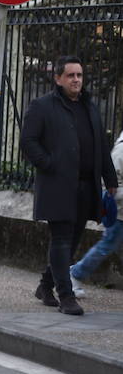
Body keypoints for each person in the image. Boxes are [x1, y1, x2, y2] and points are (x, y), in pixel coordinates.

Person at [21, 56, 117, 316]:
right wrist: (49, 163)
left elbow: (100, 147)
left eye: (80, 75)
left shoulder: (90, 107)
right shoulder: (42, 106)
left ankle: (45, 286)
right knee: (62, 239)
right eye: (71, 75)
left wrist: (110, 180)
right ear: (58, 78)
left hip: (86, 186)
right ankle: (66, 296)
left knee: (72, 241)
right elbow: (28, 142)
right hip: (57, 186)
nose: (76, 80)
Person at [69, 132, 122, 292]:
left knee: (108, 245)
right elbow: (111, 183)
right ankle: (76, 273)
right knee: (107, 245)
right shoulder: (121, 150)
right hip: (119, 212)